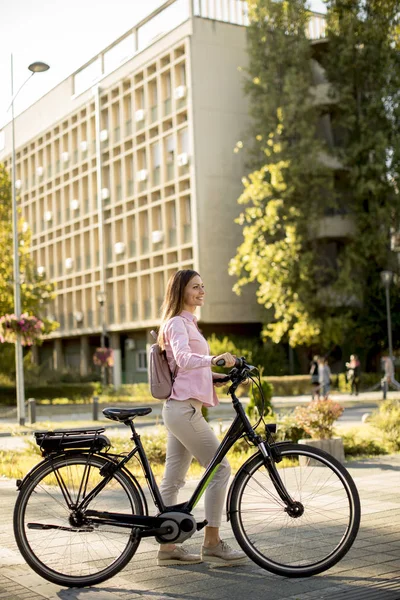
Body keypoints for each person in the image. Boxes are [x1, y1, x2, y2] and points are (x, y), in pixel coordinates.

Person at [156, 269, 247, 567]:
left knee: (173, 480)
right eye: (195, 287)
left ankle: (168, 549)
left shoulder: (190, 324)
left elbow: (192, 368)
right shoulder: (176, 323)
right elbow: (184, 359)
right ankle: (212, 544)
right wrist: (214, 359)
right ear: (181, 291)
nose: (201, 291)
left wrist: (221, 373)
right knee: (219, 469)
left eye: (203, 286)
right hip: (183, 410)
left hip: (181, 409)